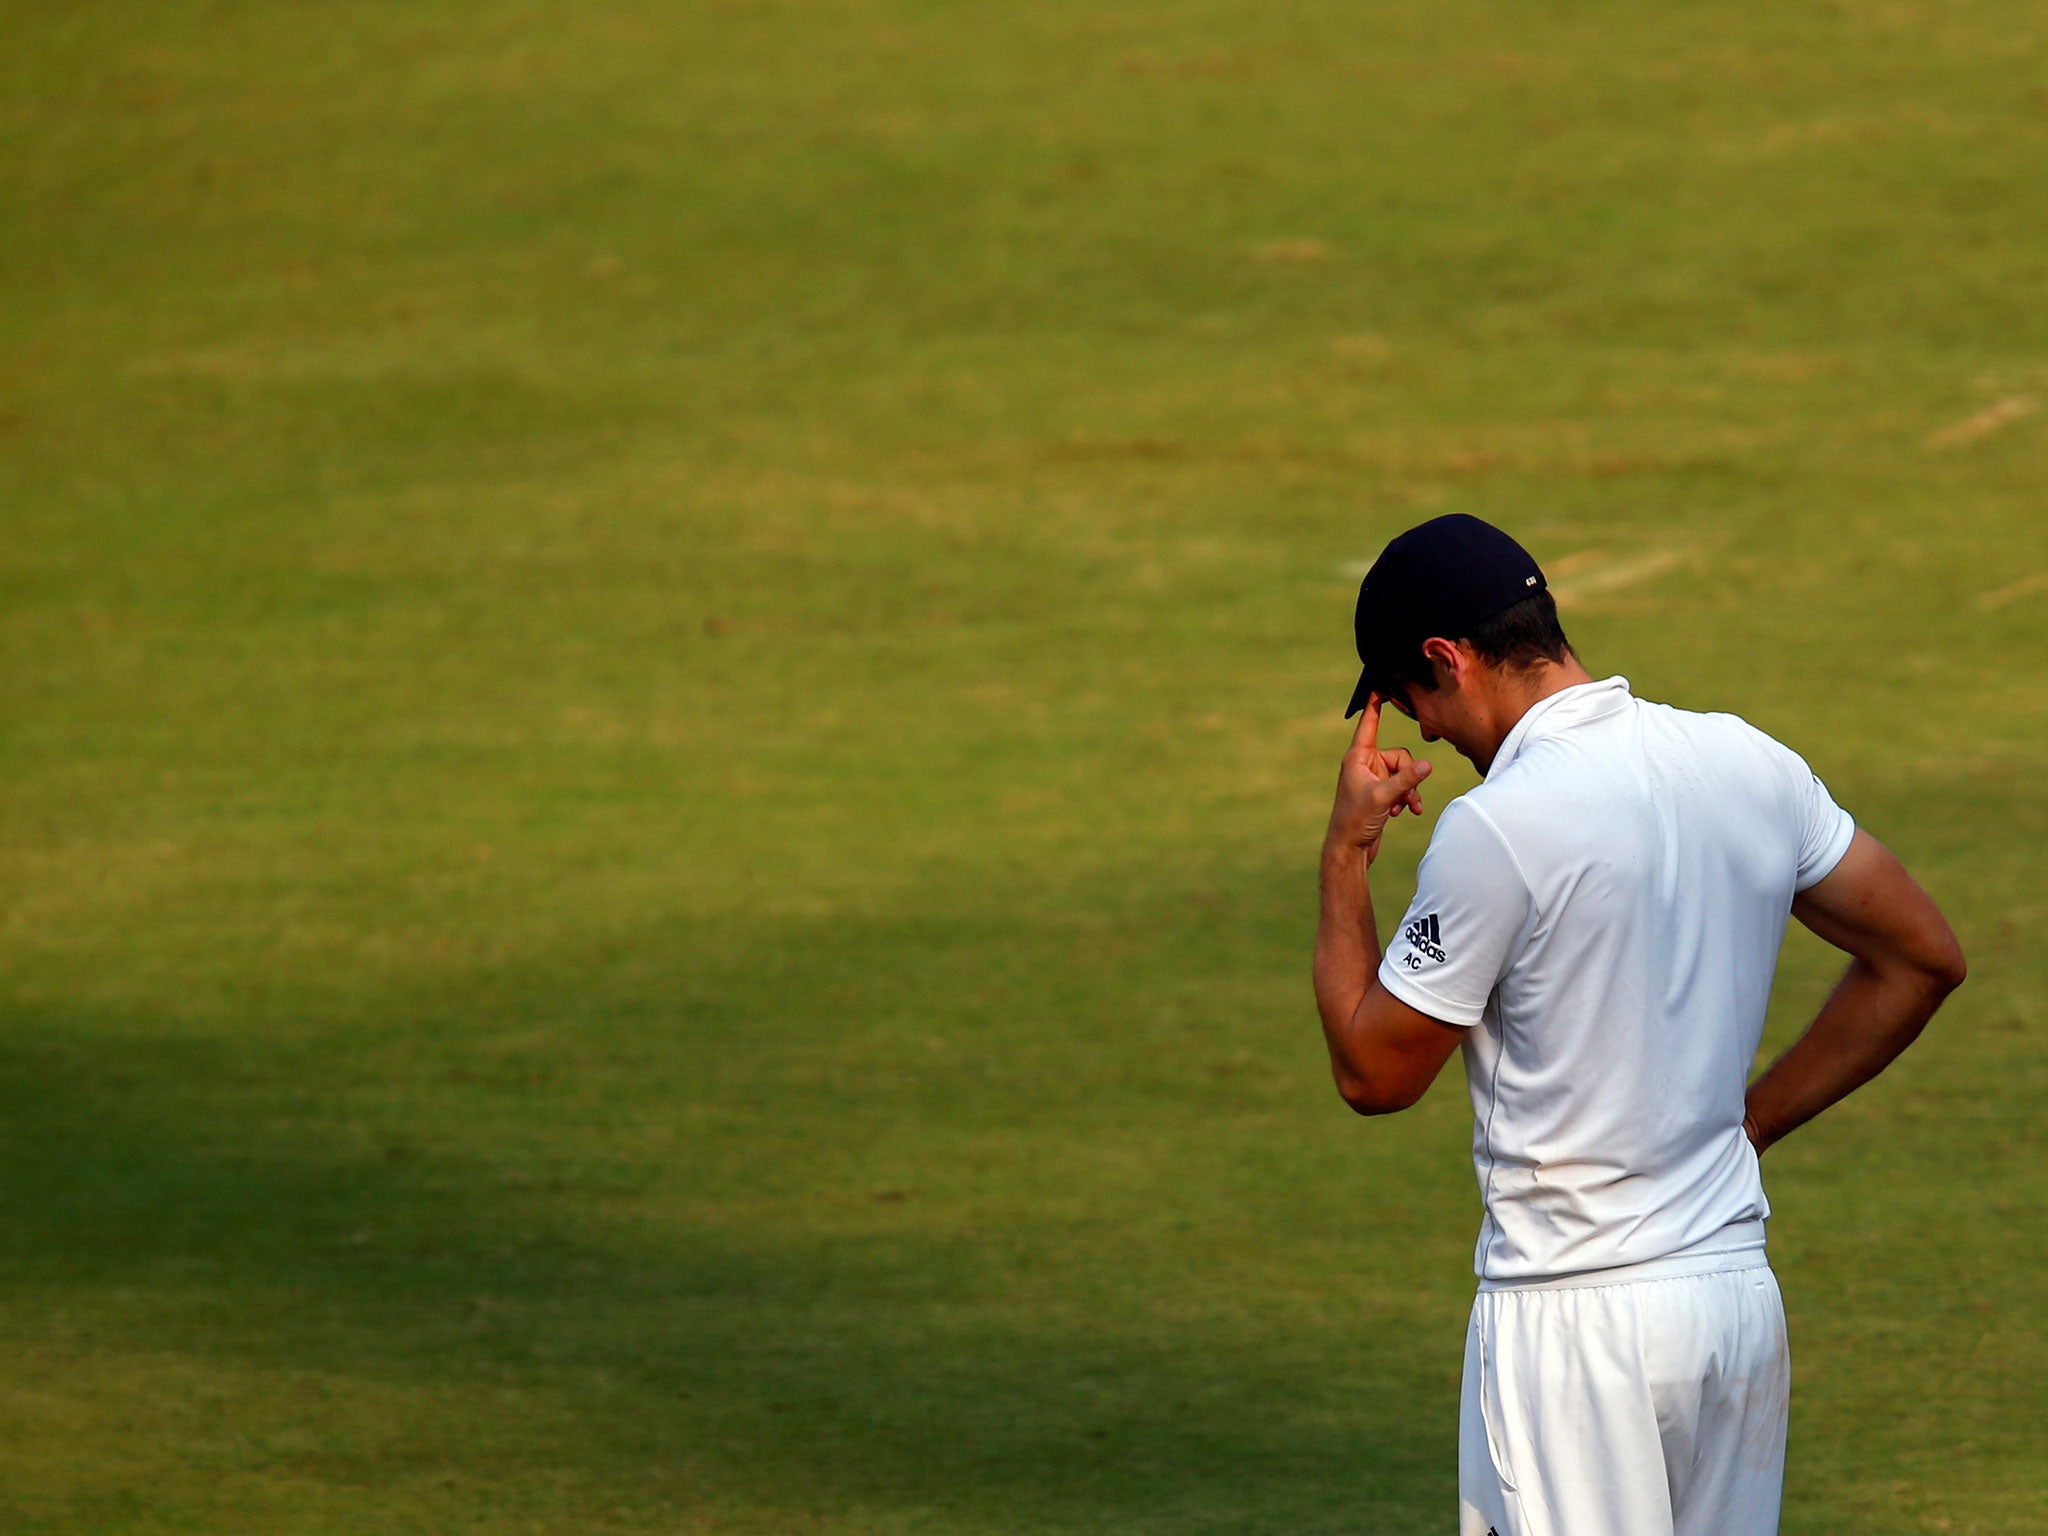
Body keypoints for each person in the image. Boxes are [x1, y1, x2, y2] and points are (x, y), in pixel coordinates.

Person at [1311, 514, 1965, 1536]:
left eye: (1407, 699)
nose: (1422, 733)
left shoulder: (1499, 827)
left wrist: (1346, 851)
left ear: (1447, 658)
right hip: (1729, 1305)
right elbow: (1919, 957)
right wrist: (1745, 1129)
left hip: (1574, 1331)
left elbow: (1371, 1074)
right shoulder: (1745, 763)